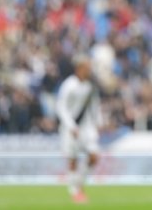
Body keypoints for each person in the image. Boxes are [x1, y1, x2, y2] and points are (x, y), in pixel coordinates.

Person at [56, 54, 102, 204]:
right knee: (73, 159)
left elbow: (94, 106)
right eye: (87, 67)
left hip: (87, 127)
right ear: (79, 68)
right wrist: (70, 126)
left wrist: (98, 122)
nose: (89, 70)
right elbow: (61, 107)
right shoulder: (69, 85)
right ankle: (75, 191)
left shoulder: (90, 86)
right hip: (71, 128)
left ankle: (79, 184)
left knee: (94, 156)